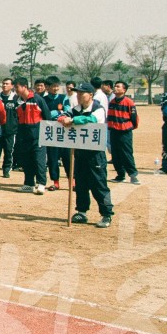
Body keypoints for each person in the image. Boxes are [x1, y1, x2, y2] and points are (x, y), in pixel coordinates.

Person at [59, 83, 114, 228]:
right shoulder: (76, 109)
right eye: (77, 93)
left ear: (90, 95)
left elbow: (91, 120)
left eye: (82, 93)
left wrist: (73, 121)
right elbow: (65, 114)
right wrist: (63, 118)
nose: (78, 96)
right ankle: (81, 211)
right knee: (81, 183)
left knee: (99, 184)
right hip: (79, 152)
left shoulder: (98, 109)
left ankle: (106, 214)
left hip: (95, 153)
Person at [14, 77, 49, 194]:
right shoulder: (17, 101)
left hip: (37, 136)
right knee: (26, 160)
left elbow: (47, 116)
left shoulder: (37, 99)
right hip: (23, 136)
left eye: (17, 87)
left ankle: (41, 183)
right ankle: (29, 183)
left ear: (24, 87)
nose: (15, 89)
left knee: (39, 161)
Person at [107, 81, 140, 184]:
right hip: (114, 132)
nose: (115, 88)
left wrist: (129, 127)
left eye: (118, 86)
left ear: (124, 90)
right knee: (115, 154)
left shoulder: (129, 102)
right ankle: (120, 175)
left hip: (125, 132)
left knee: (126, 154)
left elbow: (134, 118)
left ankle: (133, 175)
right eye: (115, 86)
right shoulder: (112, 102)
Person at [0, 78, 20, 179]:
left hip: (10, 131)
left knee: (9, 151)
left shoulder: (16, 98)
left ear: (12, 86)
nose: (4, 85)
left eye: (7, 84)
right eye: (3, 84)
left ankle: (6, 169)